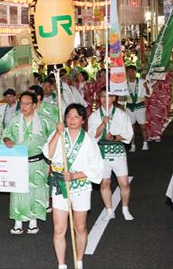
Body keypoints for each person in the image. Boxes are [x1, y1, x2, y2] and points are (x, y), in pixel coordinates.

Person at [43, 104, 104, 269]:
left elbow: (98, 168)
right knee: (59, 228)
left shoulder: (89, 141)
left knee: (80, 227)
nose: (72, 119)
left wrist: (75, 175)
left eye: (76, 116)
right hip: (60, 187)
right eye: (69, 116)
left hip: (80, 187)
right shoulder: (58, 135)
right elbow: (48, 153)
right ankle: (61, 264)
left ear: (83, 120)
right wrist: (57, 133)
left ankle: (79, 260)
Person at [3, 91, 51, 235]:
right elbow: (6, 134)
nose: (23, 106)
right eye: (21, 103)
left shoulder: (44, 120)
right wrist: (7, 140)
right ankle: (18, 222)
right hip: (19, 162)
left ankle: (33, 222)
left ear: (34, 105)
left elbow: (54, 137)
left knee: (36, 191)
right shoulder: (15, 120)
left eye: (27, 103)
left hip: (38, 162)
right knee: (19, 191)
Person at [88, 88, 134, 221]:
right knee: (105, 183)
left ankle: (125, 208)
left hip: (118, 152)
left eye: (108, 96)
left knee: (124, 183)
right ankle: (109, 210)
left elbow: (128, 135)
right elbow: (92, 135)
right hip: (102, 152)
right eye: (102, 96)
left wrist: (114, 137)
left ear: (113, 98)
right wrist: (103, 123)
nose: (104, 99)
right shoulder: (95, 115)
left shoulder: (121, 114)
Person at [125, 65, 150, 152]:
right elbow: (121, 97)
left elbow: (148, 93)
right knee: (131, 128)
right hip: (129, 107)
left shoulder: (142, 82)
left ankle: (145, 142)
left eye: (132, 71)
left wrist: (146, 87)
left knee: (143, 127)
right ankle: (132, 145)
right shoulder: (125, 83)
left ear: (135, 72)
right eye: (128, 72)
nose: (130, 73)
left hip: (140, 107)